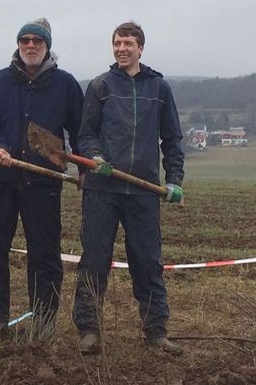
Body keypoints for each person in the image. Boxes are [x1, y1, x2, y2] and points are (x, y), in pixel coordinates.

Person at [73, 21, 185, 355]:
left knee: (147, 262)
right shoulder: (100, 85)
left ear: (141, 48)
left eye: (128, 43)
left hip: (143, 190)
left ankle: (156, 332)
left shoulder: (159, 88)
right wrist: (94, 157)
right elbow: (85, 133)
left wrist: (175, 179)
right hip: (102, 189)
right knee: (94, 260)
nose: (122, 49)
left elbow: (172, 138)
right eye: (117, 43)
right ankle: (89, 330)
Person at [0, 18, 84, 339]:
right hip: (1, 180)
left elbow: (80, 132)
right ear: (18, 45)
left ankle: (43, 324)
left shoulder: (65, 85)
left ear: (47, 46)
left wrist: (86, 169)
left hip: (43, 184)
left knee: (45, 256)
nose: (31, 46)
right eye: (25, 40)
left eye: (37, 41)